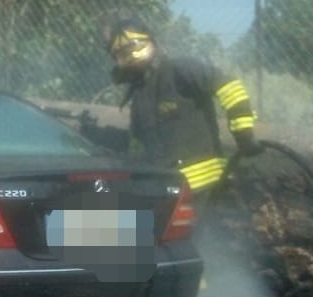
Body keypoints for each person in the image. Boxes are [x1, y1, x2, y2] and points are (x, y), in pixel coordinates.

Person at [102, 17, 262, 196]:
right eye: (121, 54)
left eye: (133, 47)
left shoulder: (178, 70)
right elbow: (139, 145)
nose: (129, 57)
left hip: (211, 188)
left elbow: (230, 86)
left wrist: (243, 133)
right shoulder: (139, 94)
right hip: (170, 190)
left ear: (150, 42)